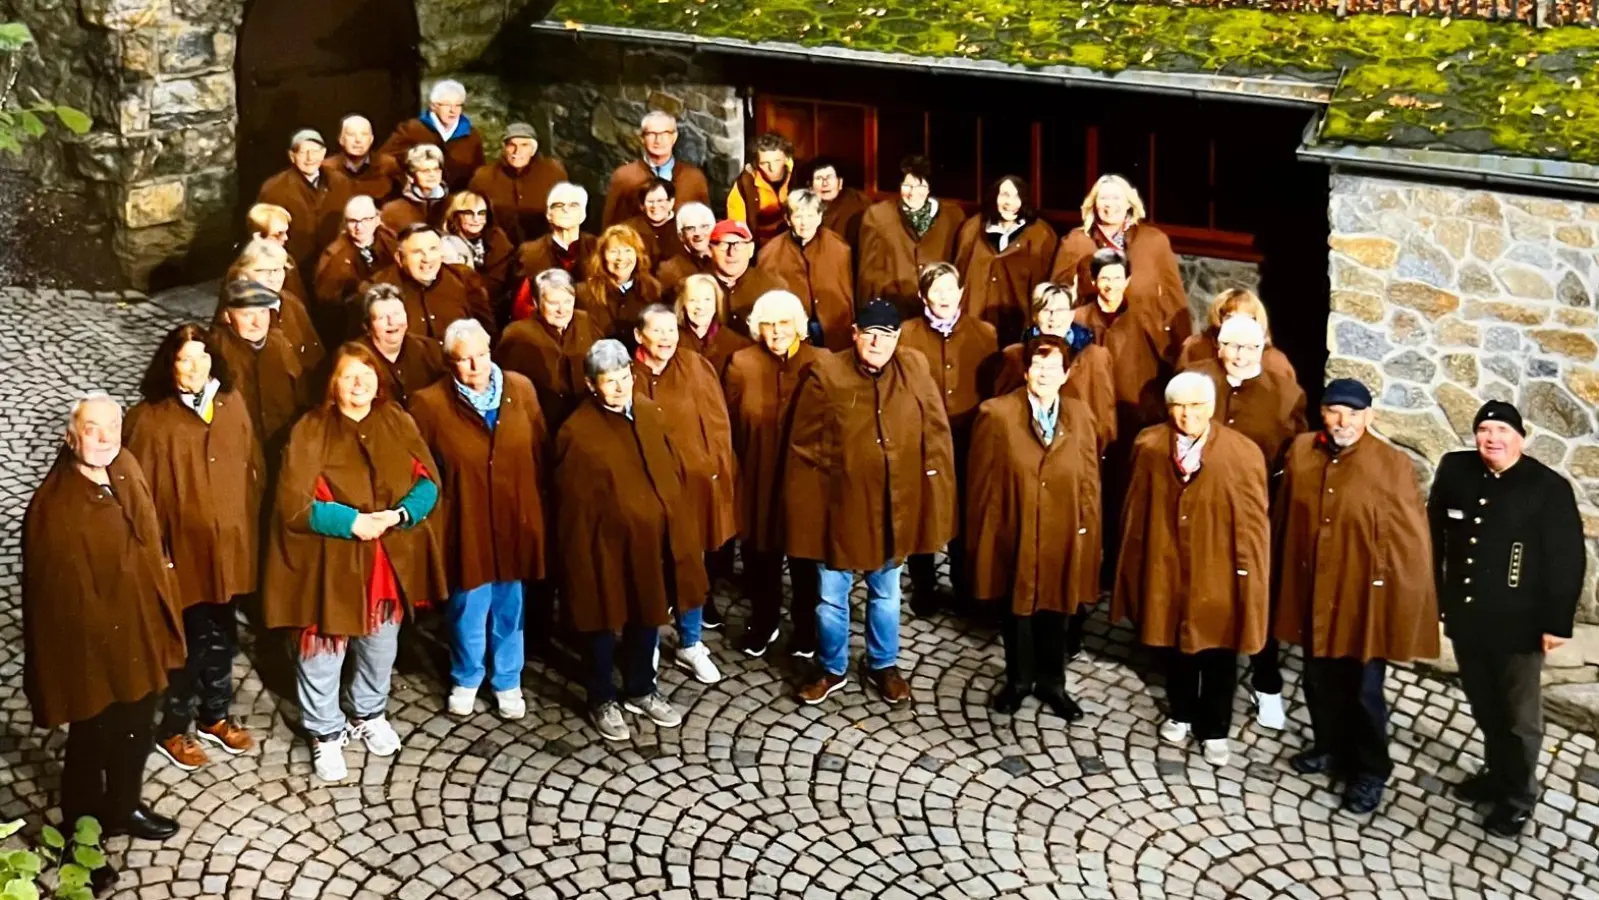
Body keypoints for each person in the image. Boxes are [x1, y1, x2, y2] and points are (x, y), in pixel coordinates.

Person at [263, 343, 446, 782]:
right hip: (330, 563)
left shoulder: (396, 420)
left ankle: (369, 711)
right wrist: (351, 522)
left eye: (368, 372)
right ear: (333, 384)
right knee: (324, 651)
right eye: (350, 375)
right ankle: (324, 733)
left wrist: (401, 514)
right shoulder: (310, 429)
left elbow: (428, 482)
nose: (361, 383)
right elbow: (294, 505)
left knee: (381, 645)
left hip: (384, 561)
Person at [24, 393, 186, 862]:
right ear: (70, 437)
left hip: (139, 633)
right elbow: (54, 604)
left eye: (111, 427)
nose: (103, 438)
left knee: (135, 730)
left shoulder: (126, 467)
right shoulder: (54, 509)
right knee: (90, 743)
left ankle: (122, 807)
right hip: (93, 651)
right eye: (91, 429)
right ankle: (81, 834)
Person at [1273, 378, 1438, 815]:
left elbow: (1408, 539)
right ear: (1323, 413)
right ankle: (1328, 745)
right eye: (1334, 411)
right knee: (1317, 678)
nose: (1343, 421)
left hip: (1360, 593)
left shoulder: (1391, 464)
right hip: (1312, 589)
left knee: (1364, 689)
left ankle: (1369, 770)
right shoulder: (1302, 451)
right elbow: (1285, 516)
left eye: (1353, 413)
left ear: (1370, 416)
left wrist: (1394, 599)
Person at [786, 299, 957, 705]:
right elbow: (804, 447)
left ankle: (882, 663)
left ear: (898, 338)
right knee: (831, 595)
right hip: (841, 507)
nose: (879, 343)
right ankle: (831, 667)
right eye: (871, 334)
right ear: (855, 333)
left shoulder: (914, 368)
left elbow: (934, 431)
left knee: (886, 592)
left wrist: (932, 490)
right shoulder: (825, 373)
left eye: (889, 336)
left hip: (892, 505)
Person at [1430, 401, 1586, 836]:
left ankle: (1517, 797)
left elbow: (1567, 559)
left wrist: (1556, 622)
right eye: (1483, 429)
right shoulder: (1456, 469)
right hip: (1468, 617)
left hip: (1519, 625)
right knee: (1485, 706)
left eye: (1501, 430)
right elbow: (1434, 534)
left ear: (1521, 436)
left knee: (1519, 719)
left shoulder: (1547, 487)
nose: (1491, 438)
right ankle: (1495, 775)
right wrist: (1435, 597)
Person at [1110, 371, 1269, 768]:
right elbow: (1134, 507)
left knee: (1218, 652)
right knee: (1176, 643)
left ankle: (1214, 728)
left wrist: (1247, 571)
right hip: (1168, 562)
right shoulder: (1149, 445)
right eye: (1179, 406)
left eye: (1196, 405)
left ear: (1211, 408)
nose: (1187, 414)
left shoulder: (1241, 452)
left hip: (1218, 568)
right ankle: (1180, 711)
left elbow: (1253, 520)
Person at [124, 324, 261, 772]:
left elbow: (250, 466)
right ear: (170, 365)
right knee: (190, 643)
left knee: (223, 636)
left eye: (203, 356)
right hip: (180, 555)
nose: (196, 366)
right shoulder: (149, 418)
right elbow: (139, 497)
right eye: (186, 358)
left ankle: (214, 716)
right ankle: (171, 728)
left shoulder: (230, 402)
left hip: (229, 550)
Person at [554, 340, 706, 740]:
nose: (620, 387)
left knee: (647, 615)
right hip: (603, 548)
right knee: (602, 622)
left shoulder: (649, 413)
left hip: (651, 543)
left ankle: (641, 688)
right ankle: (601, 698)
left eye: (625, 378)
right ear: (592, 385)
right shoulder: (577, 432)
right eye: (610, 381)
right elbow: (574, 507)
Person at [411, 319, 547, 720]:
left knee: (511, 603)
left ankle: (508, 679)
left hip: (513, 515)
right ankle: (467, 676)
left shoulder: (521, 390)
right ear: (449, 362)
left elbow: (539, 450)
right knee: (468, 604)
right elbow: (422, 469)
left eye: (482, 355)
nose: (476, 366)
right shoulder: (429, 403)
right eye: (465, 359)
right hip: (465, 518)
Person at [1182, 313, 1307, 729]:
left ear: (1262, 349)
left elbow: (1293, 454)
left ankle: (1266, 683)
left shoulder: (1285, 395)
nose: (1239, 355)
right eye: (1232, 345)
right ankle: (1189, 685)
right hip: (1200, 506)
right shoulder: (1195, 378)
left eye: (1250, 347)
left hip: (1257, 510)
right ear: (1218, 346)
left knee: (1257, 596)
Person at [966, 336, 1100, 719]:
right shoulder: (996, 414)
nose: (1044, 374)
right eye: (1037, 367)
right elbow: (980, 483)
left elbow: (1089, 477)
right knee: (1018, 609)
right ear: (1025, 371)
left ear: (1066, 373)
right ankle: (1019, 681)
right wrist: (985, 537)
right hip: (1016, 526)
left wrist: (1087, 527)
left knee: (1057, 607)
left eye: (1053, 368)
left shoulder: (1081, 415)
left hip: (1062, 530)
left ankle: (1052, 684)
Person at [631, 304, 737, 683]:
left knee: (691, 569)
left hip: (690, 491)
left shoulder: (695, 366)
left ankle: (691, 642)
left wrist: (716, 475)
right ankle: (648, 644)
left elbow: (718, 425)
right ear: (639, 336)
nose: (666, 338)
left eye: (671, 331)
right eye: (657, 331)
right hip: (645, 495)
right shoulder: (627, 375)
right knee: (650, 571)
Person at [722, 290, 824, 658]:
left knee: (805, 561)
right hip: (758, 476)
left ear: (798, 326)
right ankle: (764, 622)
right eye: (768, 324)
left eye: (784, 324)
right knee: (760, 558)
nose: (777, 331)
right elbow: (729, 425)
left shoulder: (821, 362)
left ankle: (806, 629)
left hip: (805, 480)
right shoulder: (741, 364)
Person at [897, 261, 998, 616]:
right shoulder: (906, 333)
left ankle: (966, 588)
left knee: (966, 512)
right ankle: (924, 586)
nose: (943, 296)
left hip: (969, 435)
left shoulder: (984, 333)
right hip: (923, 436)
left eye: (949, 288)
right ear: (924, 295)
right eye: (935, 289)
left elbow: (993, 387)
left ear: (961, 293)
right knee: (923, 508)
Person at [992, 283, 1116, 453]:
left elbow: (1105, 418)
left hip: (1079, 452)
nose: (1053, 318)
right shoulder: (1014, 357)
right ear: (1035, 315)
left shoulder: (1095, 356)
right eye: (1046, 310)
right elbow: (1002, 414)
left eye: (1060, 311)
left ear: (1072, 314)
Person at [1052, 174, 1187, 323]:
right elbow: (1055, 295)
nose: (1109, 204)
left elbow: (1174, 297)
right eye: (1103, 198)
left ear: (1129, 203)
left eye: (1116, 198)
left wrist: (1181, 341)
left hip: (1142, 336)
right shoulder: (1076, 241)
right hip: (1092, 334)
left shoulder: (1154, 240)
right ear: (1093, 203)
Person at [857, 155, 967, 320]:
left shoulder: (953, 216)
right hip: (894, 306)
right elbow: (868, 273)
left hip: (937, 306)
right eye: (907, 185)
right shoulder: (878, 215)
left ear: (930, 187)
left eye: (920, 186)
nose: (913, 193)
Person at [209, 280, 309, 459]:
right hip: (239, 451)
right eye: (247, 314)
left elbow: (302, 394)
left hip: (280, 446)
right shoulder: (214, 350)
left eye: (263, 312)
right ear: (227, 316)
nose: (258, 322)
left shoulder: (279, 344)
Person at [954, 175, 1057, 346]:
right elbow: (960, 272)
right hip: (976, 321)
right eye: (1004, 195)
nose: (1010, 202)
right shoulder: (973, 228)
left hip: (1019, 325)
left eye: (1016, 196)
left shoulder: (1041, 234)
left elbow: (1047, 283)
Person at [495, 268, 602, 430]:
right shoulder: (517, 334)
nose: (562, 310)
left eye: (568, 301)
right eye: (553, 303)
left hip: (587, 421)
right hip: (542, 425)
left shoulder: (585, 322)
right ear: (536, 302)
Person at [756, 189, 855, 351]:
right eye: (798, 216)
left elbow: (847, 293)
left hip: (834, 329)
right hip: (792, 333)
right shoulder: (769, 254)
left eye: (810, 216)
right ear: (788, 219)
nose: (804, 223)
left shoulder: (839, 248)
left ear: (819, 217)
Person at [369, 223, 495, 342]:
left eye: (433, 249)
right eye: (417, 252)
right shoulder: (378, 288)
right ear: (399, 258)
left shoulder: (464, 279)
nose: (427, 259)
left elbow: (487, 333)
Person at [220, 236, 326, 375]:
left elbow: (315, 355)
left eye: (278, 270)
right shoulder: (233, 306)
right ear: (243, 272)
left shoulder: (292, 303)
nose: (273, 277)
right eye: (262, 270)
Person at [603, 111, 711, 226]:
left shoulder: (694, 178)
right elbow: (609, 225)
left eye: (665, 133)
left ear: (674, 137)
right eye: (651, 134)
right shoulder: (624, 177)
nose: (658, 140)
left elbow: (707, 223)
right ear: (642, 138)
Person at [468, 121, 568, 245]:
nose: (517, 151)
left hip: (543, 250)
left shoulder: (553, 173)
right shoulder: (483, 177)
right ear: (504, 148)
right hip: (497, 250)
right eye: (511, 145)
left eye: (524, 145)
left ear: (533, 150)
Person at [314, 194, 397, 343]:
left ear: (377, 220)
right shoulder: (334, 256)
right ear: (345, 224)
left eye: (366, 220)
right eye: (353, 221)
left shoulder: (390, 242)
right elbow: (328, 303)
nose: (359, 227)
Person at [256, 128, 338, 274]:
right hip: (293, 267)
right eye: (302, 152)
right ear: (292, 156)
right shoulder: (274, 188)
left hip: (330, 264)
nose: (309, 157)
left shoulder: (340, 181)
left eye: (315, 151)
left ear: (324, 153)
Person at [380, 79, 485, 191]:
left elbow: (478, 173)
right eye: (446, 105)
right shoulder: (412, 129)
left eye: (457, 105)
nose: (452, 110)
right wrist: (404, 182)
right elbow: (383, 159)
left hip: (455, 200)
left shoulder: (471, 135)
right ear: (433, 106)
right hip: (418, 197)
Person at [511, 182, 596, 320]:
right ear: (549, 215)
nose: (566, 210)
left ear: (583, 215)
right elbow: (520, 305)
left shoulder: (598, 248)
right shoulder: (529, 252)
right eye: (558, 206)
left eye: (573, 205)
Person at [356, 283, 447, 408]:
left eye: (397, 314)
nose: (392, 322)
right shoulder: (355, 361)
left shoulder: (429, 349)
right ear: (367, 325)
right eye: (382, 317)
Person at [1177, 288, 1296, 378]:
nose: (1238, 323)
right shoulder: (1195, 347)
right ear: (1220, 318)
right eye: (1230, 317)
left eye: (1246, 318)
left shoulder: (1274, 360)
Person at [575, 224, 663, 340]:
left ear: (638, 255)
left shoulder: (653, 290)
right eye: (614, 251)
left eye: (628, 250)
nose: (621, 258)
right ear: (602, 255)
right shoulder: (583, 293)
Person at [707, 219, 786, 335]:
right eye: (723, 244)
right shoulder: (695, 287)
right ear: (710, 250)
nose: (732, 253)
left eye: (739, 244)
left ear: (751, 249)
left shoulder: (774, 286)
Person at [441, 190, 515, 300]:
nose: (476, 219)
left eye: (481, 213)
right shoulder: (445, 244)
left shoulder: (498, 240)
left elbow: (499, 282)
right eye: (469, 213)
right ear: (456, 215)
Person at [726, 131, 794, 247]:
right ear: (756, 163)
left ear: (787, 158)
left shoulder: (800, 176)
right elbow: (737, 227)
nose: (772, 168)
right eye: (765, 163)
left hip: (795, 243)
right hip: (762, 248)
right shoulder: (745, 185)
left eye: (777, 161)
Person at [676, 272, 752, 375]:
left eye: (707, 300)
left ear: (717, 303)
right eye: (693, 300)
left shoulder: (738, 345)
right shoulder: (672, 341)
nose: (700, 306)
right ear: (683, 304)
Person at [323, 114, 399, 203]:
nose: (358, 140)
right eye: (351, 134)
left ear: (371, 139)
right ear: (341, 139)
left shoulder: (388, 165)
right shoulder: (326, 168)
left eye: (364, 134)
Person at [381, 144, 450, 234]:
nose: (432, 175)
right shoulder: (393, 211)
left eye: (436, 169)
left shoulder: (453, 204)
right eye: (425, 171)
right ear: (411, 177)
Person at [622, 178, 685, 273]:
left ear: (671, 202)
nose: (655, 206)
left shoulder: (684, 227)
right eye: (650, 201)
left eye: (660, 201)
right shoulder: (627, 229)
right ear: (642, 205)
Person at [657, 202, 717, 295]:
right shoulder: (670, 269)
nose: (698, 233)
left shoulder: (725, 259)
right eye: (690, 228)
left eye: (704, 227)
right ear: (681, 236)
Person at [810, 157, 869, 249]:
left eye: (830, 177)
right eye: (819, 178)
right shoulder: (805, 206)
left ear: (840, 183)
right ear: (810, 186)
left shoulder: (857, 205)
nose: (825, 183)